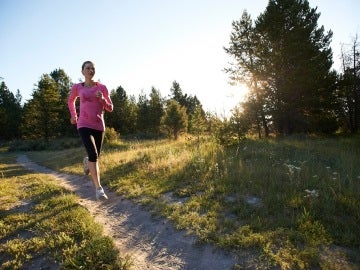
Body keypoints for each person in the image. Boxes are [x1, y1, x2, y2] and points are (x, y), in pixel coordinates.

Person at [68, 60, 113, 200]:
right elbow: (70, 101)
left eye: (93, 68)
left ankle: (87, 161)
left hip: (99, 125)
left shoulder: (102, 88)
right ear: (82, 71)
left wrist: (103, 99)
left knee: (95, 157)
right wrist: (74, 115)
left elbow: (110, 108)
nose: (91, 70)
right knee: (94, 154)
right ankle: (98, 189)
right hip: (83, 124)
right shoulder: (77, 87)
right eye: (88, 68)